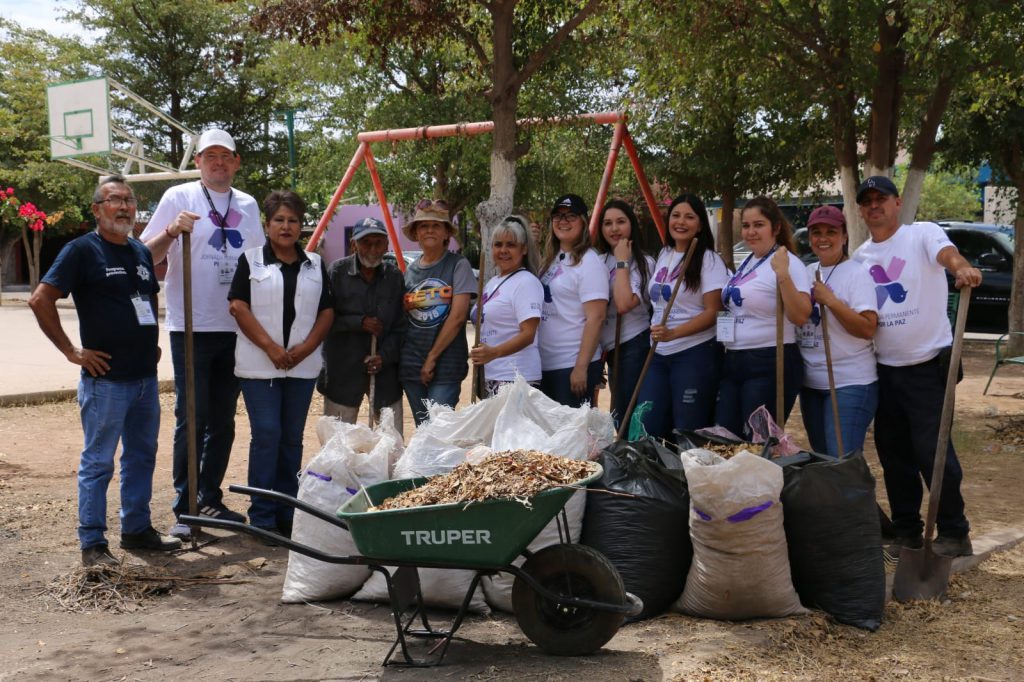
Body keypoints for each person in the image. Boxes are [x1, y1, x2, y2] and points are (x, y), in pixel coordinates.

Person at [28, 176, 181, 566]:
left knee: (142, 457)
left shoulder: (140, 251)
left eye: (130, 200)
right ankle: (93, 543)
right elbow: (40, 299)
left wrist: (150, 343)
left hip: (145, 379)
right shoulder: (81, 251)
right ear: (97, 209)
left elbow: (141, 304)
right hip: (106, 382)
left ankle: (136, 529)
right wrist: (71, 351)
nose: (125, 207)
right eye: (115, 200)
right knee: (99, 463)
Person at [142, 129, 264, 538]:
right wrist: (173, 231)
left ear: (236, 161)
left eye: (225, 156)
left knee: (224, 420)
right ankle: (185, 506)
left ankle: (209, 498)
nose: (218, 162)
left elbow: (260, 266)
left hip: (237, 327)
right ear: (197, 162)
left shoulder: (248, 205)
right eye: (209, 156)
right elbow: (147, 256)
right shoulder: (179, 197)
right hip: (191, 326)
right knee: (190, 418)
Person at [852, 175, 981, 558]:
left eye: (882, 198)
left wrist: (962, 268)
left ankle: (955, 532)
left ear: (896, 203)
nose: (874, 206)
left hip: (929, 366)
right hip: (884, 370)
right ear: (861, 209)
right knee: (893, 455)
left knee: (933, 451)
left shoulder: (922, 234)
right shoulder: (860, 258)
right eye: (867, 201)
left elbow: (948, 255)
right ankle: (906, 531)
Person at [227, 190, 333, 538]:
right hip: (260, 366)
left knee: (291, 439)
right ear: (267, 224)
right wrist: (272, 348)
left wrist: (303, 350)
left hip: (301, 368)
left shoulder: (315, 263)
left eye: (293, 221)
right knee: (267, 434)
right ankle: (262, 515)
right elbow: (239, 307)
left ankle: (289, 511)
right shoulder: (251, 259)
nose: (286, 227)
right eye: (279, 220)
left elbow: (327, 312)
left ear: (302, 226)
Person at [715, 196, 812, 439]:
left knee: (756, 443)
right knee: (726, 437)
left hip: (769, 359)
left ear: (776, 228)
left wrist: (783, 275)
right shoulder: (748, 262)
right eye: (746, 226)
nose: (750, 232)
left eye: (758, 225)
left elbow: (800, 315)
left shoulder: (789, 263)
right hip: (735, 359)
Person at [635, 194, 729, 440]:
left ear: (700, 224)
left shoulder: (709, 259)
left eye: (689, 217)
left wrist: (674, 333)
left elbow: (714, 311)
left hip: (693, 353)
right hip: (658, 354)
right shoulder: (665, 253)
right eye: (676, 215)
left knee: (688, 428)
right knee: (648, 422)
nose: (681, 222)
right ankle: (658, 476)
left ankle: (688, 477)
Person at [796, 205, 879, 457]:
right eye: (816, 232)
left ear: (844, 237)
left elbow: (867, 328)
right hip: (811, 385)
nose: (823, 239)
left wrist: (831, 301)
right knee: (823, 460)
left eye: (831, 232)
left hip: (849, 382)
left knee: (842, 462)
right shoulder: (806, 272)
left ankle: (858, 498)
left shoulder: (857, 274)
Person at [318, 217, 407, 435]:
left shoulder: (394, 277)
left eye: (379, 243)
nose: (373, 249)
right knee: (337, 445)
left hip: (385, 375)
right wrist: (359, 322)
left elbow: (401, 328)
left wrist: (383, 357)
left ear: (387, 245)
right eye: (366, 242)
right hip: (343, 372)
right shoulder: (336, 273)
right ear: (353, 244)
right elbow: (323, 320)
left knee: (391, 443)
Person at [400, 199, 477, 425]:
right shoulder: (409, 272)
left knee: (438, 431)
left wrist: (431, 359)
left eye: (436, 225)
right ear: (416, 233)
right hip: (411, 364)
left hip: (446, 364)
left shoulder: (458, 265)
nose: (429, 230)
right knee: (423, 430)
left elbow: (458, 317)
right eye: (424, 226)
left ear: (446, 234)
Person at [537, 194, 607, 408]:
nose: (563, 221)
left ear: (583, 222)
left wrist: (581, 367)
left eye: (571, 216)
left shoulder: (589, 262)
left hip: (571, 364)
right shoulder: (551, 258)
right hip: (546, 364)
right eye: (558, 216)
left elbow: (596, 318)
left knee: (572, 438)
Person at [469, 215, 544, 395]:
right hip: (491, 375)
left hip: (516, 378)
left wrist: (494, 352)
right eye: (498, 244)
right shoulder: (492, 282)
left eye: (510, 245)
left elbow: (528, 334)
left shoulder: (526, 282)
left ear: (524, 249)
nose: (503, 250)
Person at [592, 200, 653, 425]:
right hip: (606, 346)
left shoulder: (644, 262)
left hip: (633, 343)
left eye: (620, 222)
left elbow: (624, 303)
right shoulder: (598, 260)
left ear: (632, 225)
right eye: (607, 223)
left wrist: (622, 262)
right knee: (617, 413)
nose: (614, 229)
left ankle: (634, 457)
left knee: (628, 413)